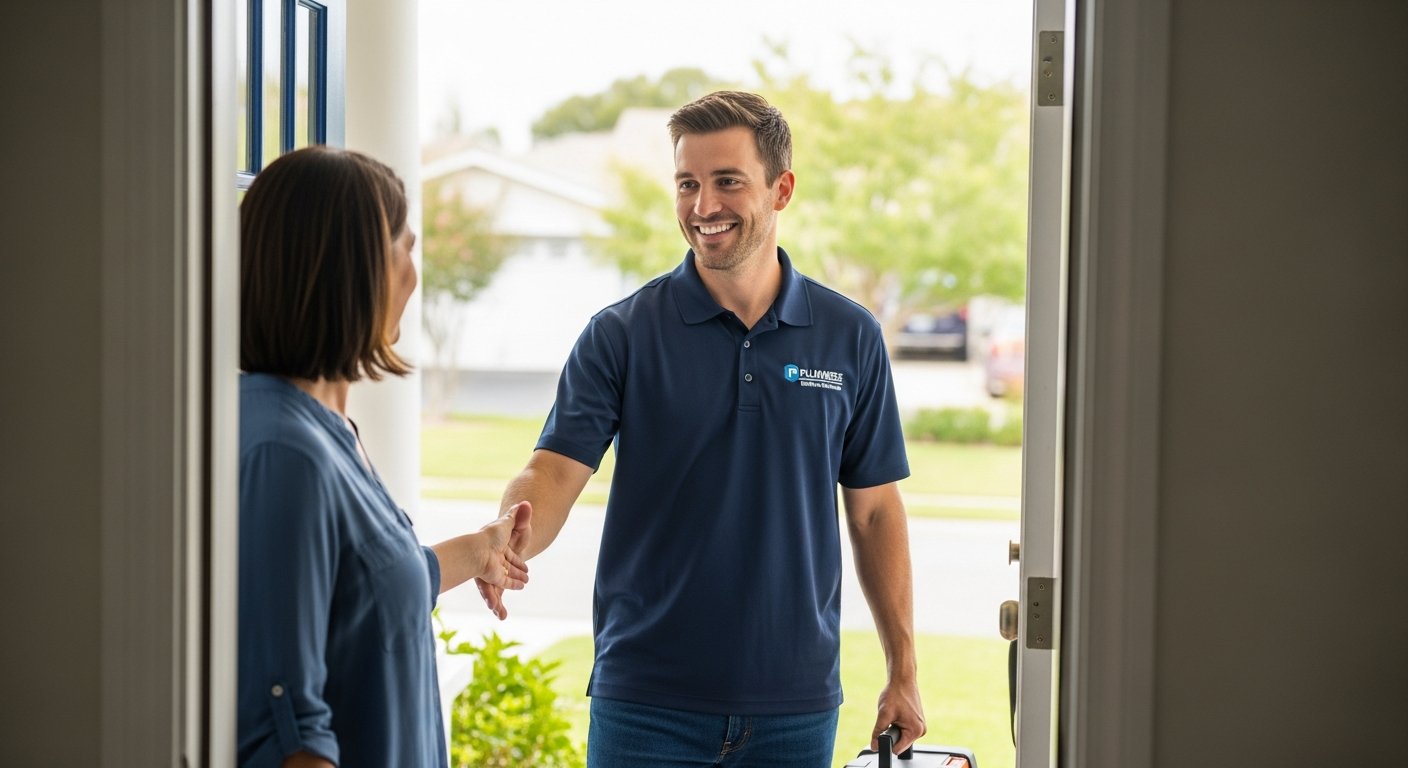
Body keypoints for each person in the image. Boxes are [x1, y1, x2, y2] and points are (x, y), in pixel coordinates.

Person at [478, 91, 927, 766]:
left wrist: (904, 668)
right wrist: (509, 533)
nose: (703, 206)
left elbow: (873, 514)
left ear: (783, 190)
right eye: (687, 183)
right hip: (645, 705)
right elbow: (553, 470)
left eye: (727, 182)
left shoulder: (850, 336)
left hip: (794, 709)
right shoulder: (620, 335)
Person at [237, 145, 530, 768]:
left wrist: (481, 548)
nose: (413, 272)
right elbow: (289, 729)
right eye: (407, 247)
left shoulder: (324, 430)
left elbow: (366, 595)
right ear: (360, 266)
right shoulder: (285, 453)